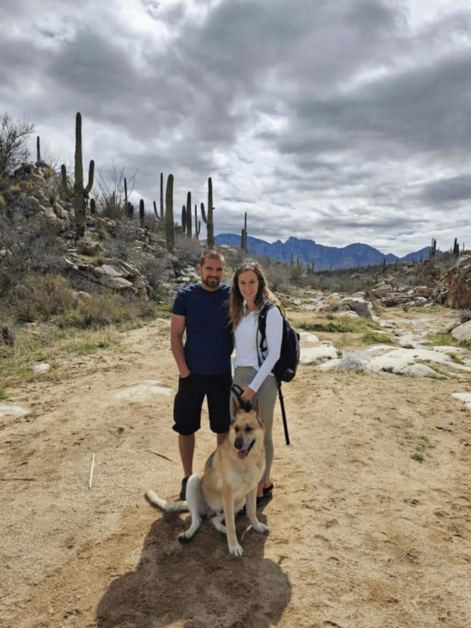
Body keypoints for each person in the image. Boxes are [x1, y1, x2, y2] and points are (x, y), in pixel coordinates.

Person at [171, 249, 233, 500]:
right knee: (186, 427)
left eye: (218, 270)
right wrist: (184, 370)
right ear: (200, 269)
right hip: (192, 374)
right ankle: (188, 479)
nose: (214, 275)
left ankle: (218, 475)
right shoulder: (186, 296)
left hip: (221, 374)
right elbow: (175, 334)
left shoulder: (231, 294)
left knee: (223, 428)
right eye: (209, 269)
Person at [229, 260, 283, 504]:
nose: (247, 287)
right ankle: (248, 484)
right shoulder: (240, 309)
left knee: (263, 435)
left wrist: (253, 387)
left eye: (252, 281)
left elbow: (274, 354)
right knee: (242, 435)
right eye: (242, 282)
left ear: (260, 283)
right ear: (237, 285)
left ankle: (261, 487)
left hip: (262, 379)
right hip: (240, 376)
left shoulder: (270, 312)